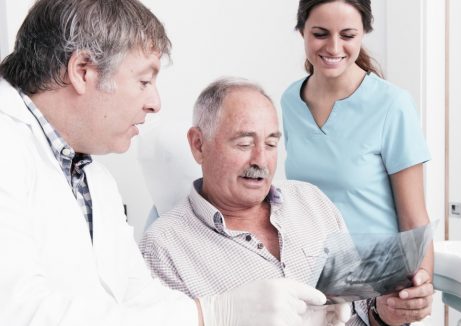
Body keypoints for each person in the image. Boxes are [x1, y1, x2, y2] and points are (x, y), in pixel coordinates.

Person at [0, 1, 329, 325]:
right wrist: (213, 314)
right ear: (83, 71)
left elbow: (141, 297)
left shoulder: (94, 181)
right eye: (144, 81)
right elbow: (17, 313)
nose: (155, 103)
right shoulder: (8, 147)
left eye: (272, 142)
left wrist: (224, 311)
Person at [140, 76, 387, 326]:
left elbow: (363, 309)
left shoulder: (312, 202)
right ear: (199, 145)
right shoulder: (163, 248)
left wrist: (385, 311)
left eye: (271, 144)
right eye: (244, 143)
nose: (261, 160)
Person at [281, 0, 434, 324]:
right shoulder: (290, 101)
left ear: (364, 32)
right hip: (316, 292)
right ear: (301, 31)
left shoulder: (392, 105)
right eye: (320, 34)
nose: (334, 47)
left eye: (347, 34)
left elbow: (414, 219)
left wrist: (415, 293)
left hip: (379, 296)